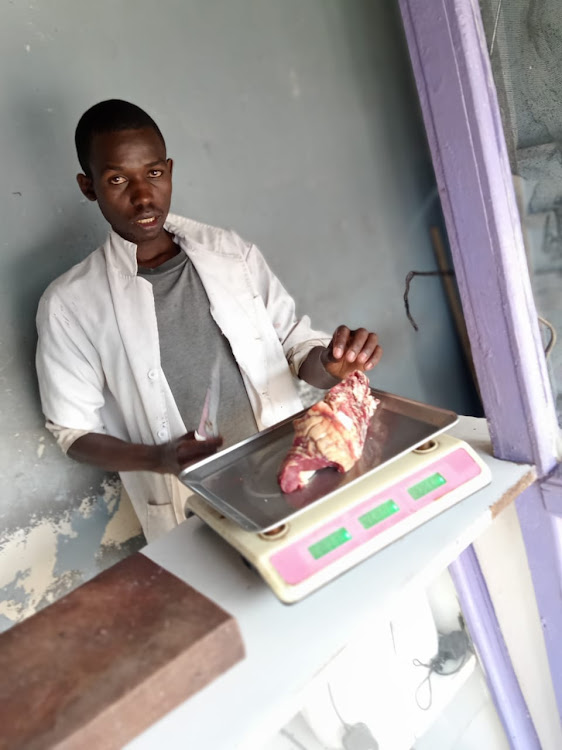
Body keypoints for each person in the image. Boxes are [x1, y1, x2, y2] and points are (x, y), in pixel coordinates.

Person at [36, 100, 382, 541]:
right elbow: (73, 432)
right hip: (194, 507)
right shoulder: (71, 303)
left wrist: (331, 365)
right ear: (89, 187)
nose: (143, 196)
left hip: (294, 470)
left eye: (154, 174)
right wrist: (158, 459)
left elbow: (298, 348)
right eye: (118, 179)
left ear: (170, 170)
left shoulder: (228, 251)